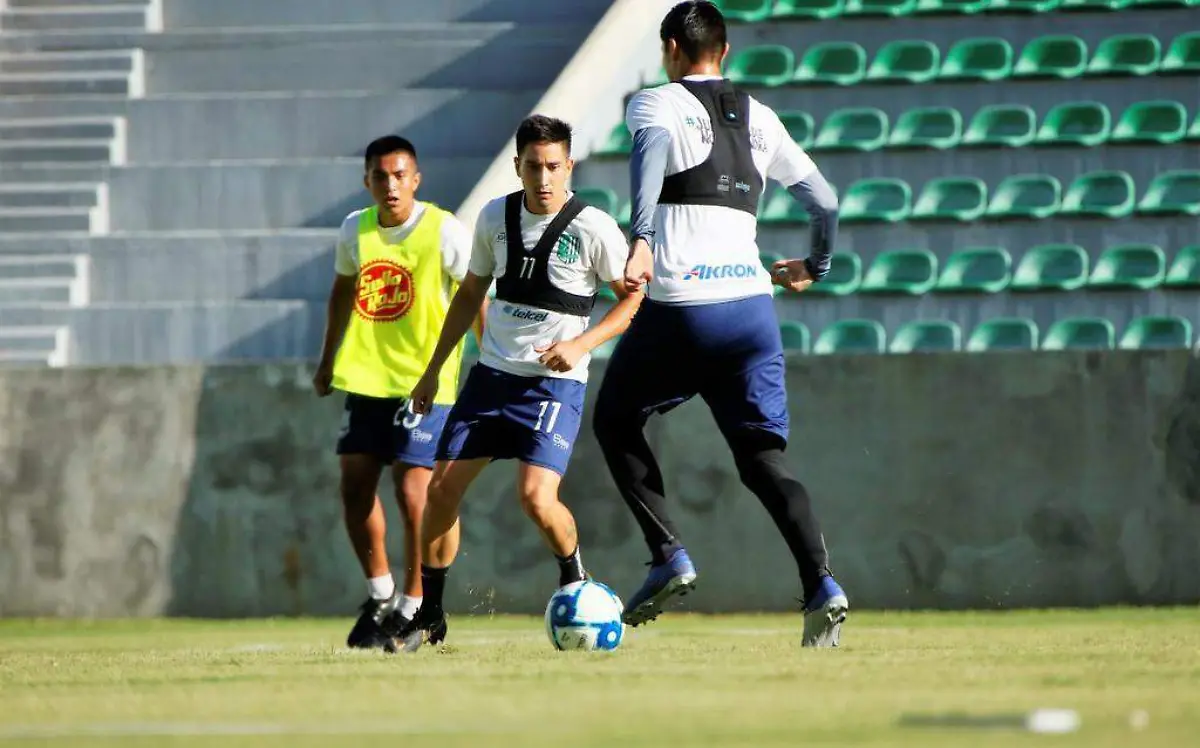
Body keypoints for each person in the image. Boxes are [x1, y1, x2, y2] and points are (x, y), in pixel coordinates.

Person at [592, 0, 849, 647]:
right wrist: (815, 264)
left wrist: (642, 237)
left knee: (615, 420)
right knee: (764, 457)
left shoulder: (654, 105)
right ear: (725, 51)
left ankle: (669, 553)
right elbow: (826, 201)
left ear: (671, 49)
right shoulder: (760, 117)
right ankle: (821, 582)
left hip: (681, 305)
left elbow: (648, 162)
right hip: (752, 312)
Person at [392, 114, 643, 653]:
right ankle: (430, 614)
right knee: (439, 493)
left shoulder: (593, 226)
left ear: (569, 166)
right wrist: (434, 370)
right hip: (491, 380)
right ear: (518, 167)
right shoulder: (493, 217)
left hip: (554, 389)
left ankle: (574, 577)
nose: (544, 177)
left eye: (554, 166)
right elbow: (468, 297)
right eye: (534, 166)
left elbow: (632, 298)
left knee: (535, 497)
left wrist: (580, 345)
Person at [313, 135, 485, 650]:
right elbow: (343, 291)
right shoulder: (355, 231)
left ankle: (414, 605)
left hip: (424, 382)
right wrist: (327, 360)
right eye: (380, 176)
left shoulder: (442, 230)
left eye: (399, 175)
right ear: (367, 181)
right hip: (366, 378)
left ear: (416, 179)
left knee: (413, 492)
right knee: (354, 485)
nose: (390, 185)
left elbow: (474, 293)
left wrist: (491, 358)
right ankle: (381, 593)